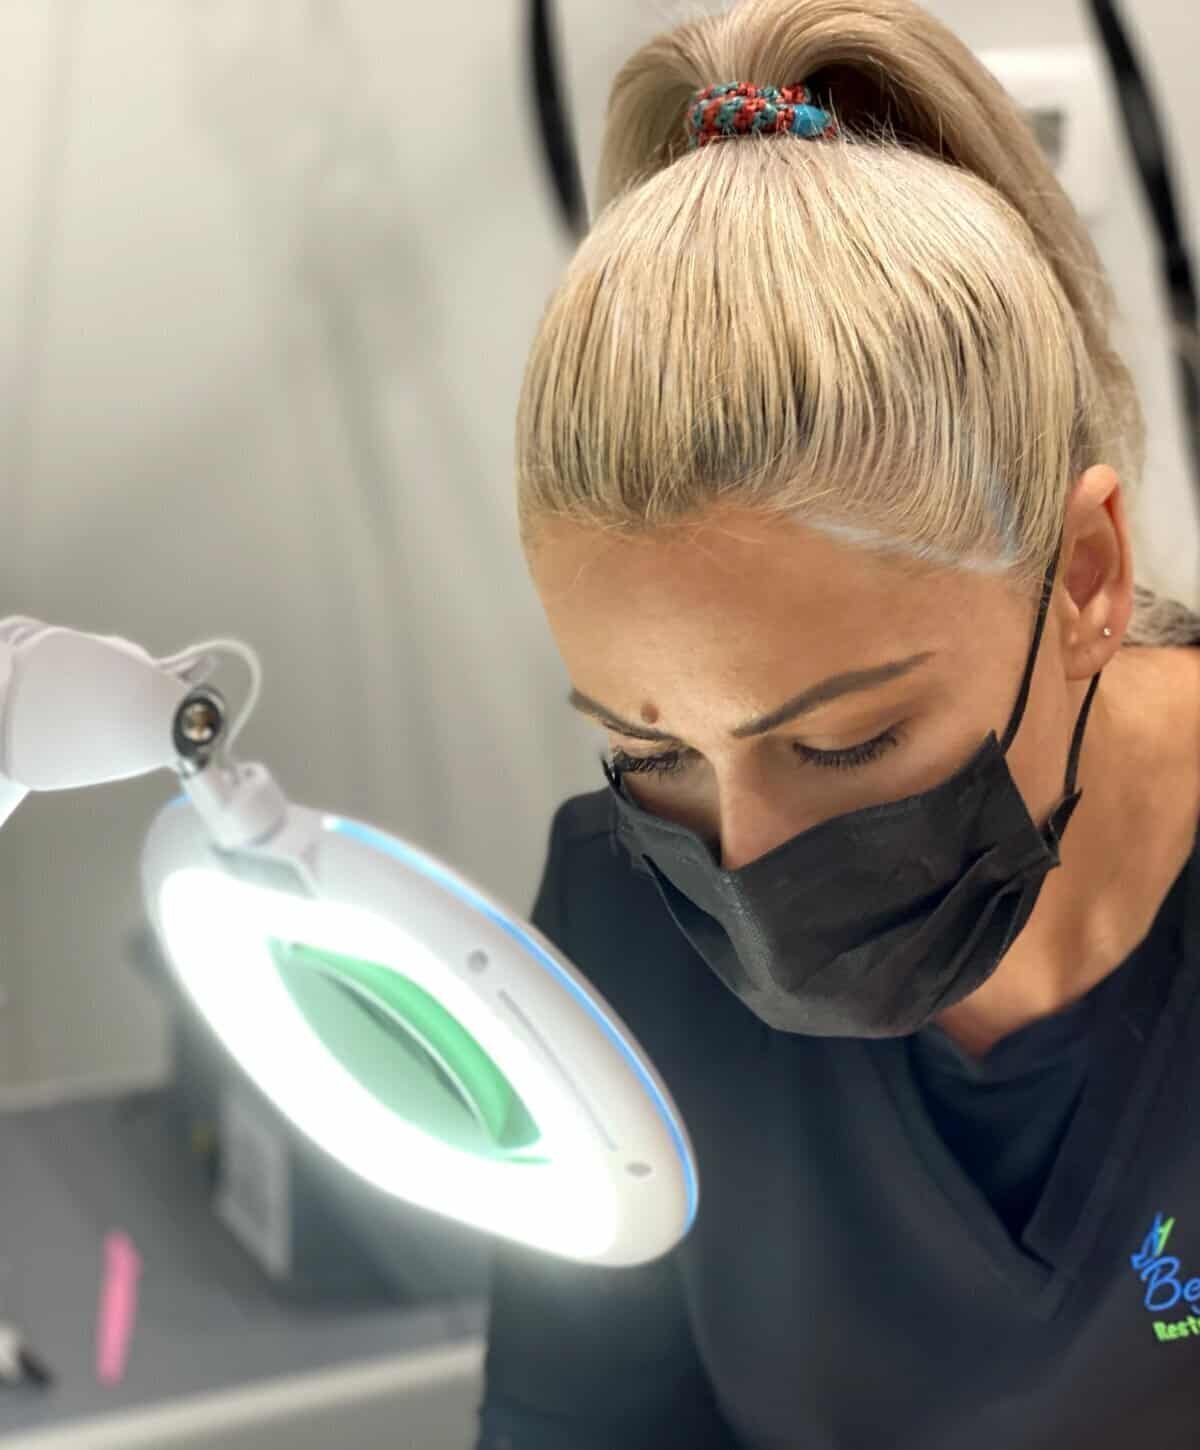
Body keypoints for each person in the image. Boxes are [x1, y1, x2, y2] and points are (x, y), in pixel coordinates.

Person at [477, 0, 1200, 1444]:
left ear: (1085, 579)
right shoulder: (620, 931)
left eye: (846, 744)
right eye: (652, 753)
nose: (749, 865)